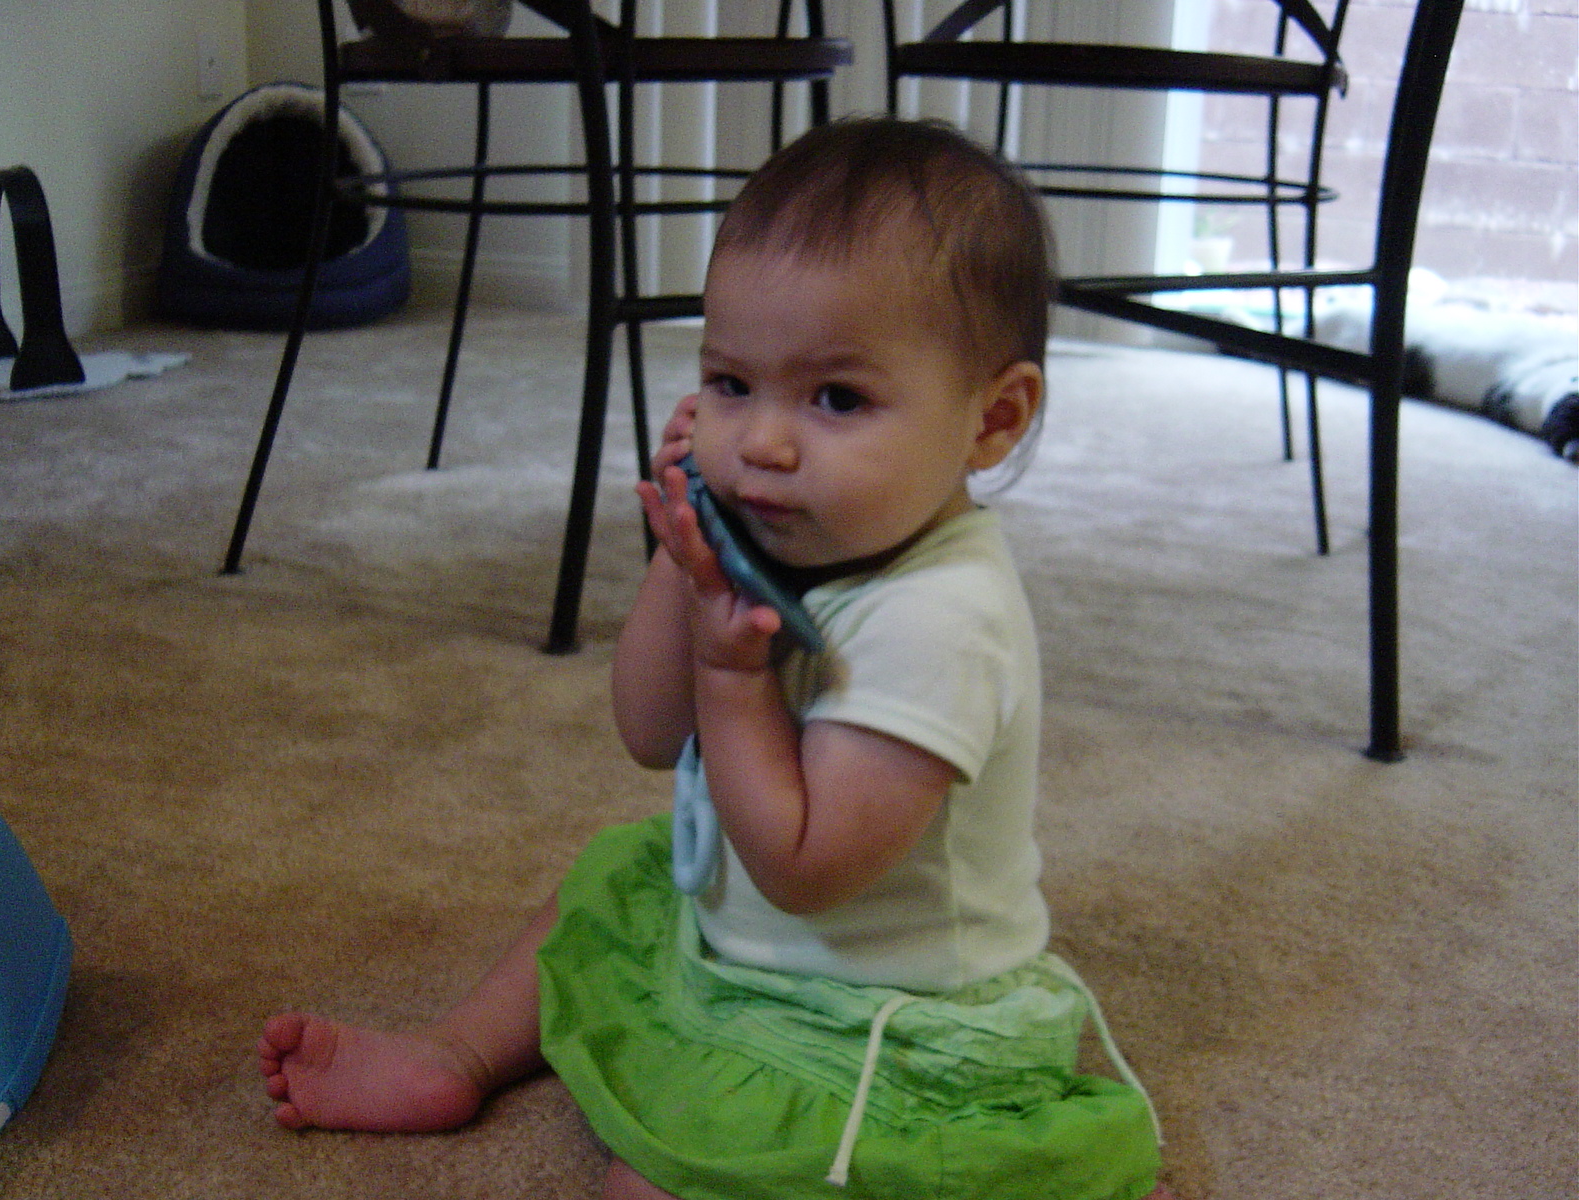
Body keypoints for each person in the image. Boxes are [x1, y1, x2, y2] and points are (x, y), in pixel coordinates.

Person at [259, 116, 1169, 1200]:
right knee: (614, 882)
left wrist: (735, 679)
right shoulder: (789, 532)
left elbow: (804, 867)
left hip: (881, 1027)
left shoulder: (941, 619)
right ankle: (455, 1055)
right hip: (742, 946)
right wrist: (685, 562)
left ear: (992, 419)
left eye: (837, 399)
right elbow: (649, 734)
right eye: (732, 384)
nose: (763, 444)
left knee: (651, 1183)